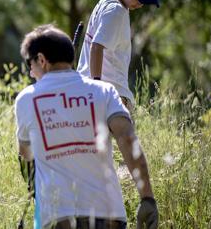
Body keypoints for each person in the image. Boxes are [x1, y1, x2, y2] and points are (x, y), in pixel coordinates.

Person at [15, 24, 158, 229]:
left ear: (41, 60)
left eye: (30, 63)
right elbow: (127, 139)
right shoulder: (104, 91)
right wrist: (147, 199)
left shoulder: (26, 99)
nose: (30, 71)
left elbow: (26, 156)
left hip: (57, 218)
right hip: (109, 215)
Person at [77, 0, 160, 111]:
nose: (140, 4)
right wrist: (98, 87)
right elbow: (96, 47)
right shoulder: (117, 11)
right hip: (111, 94)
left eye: (144, 1)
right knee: (128, 134)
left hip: (86, 88)